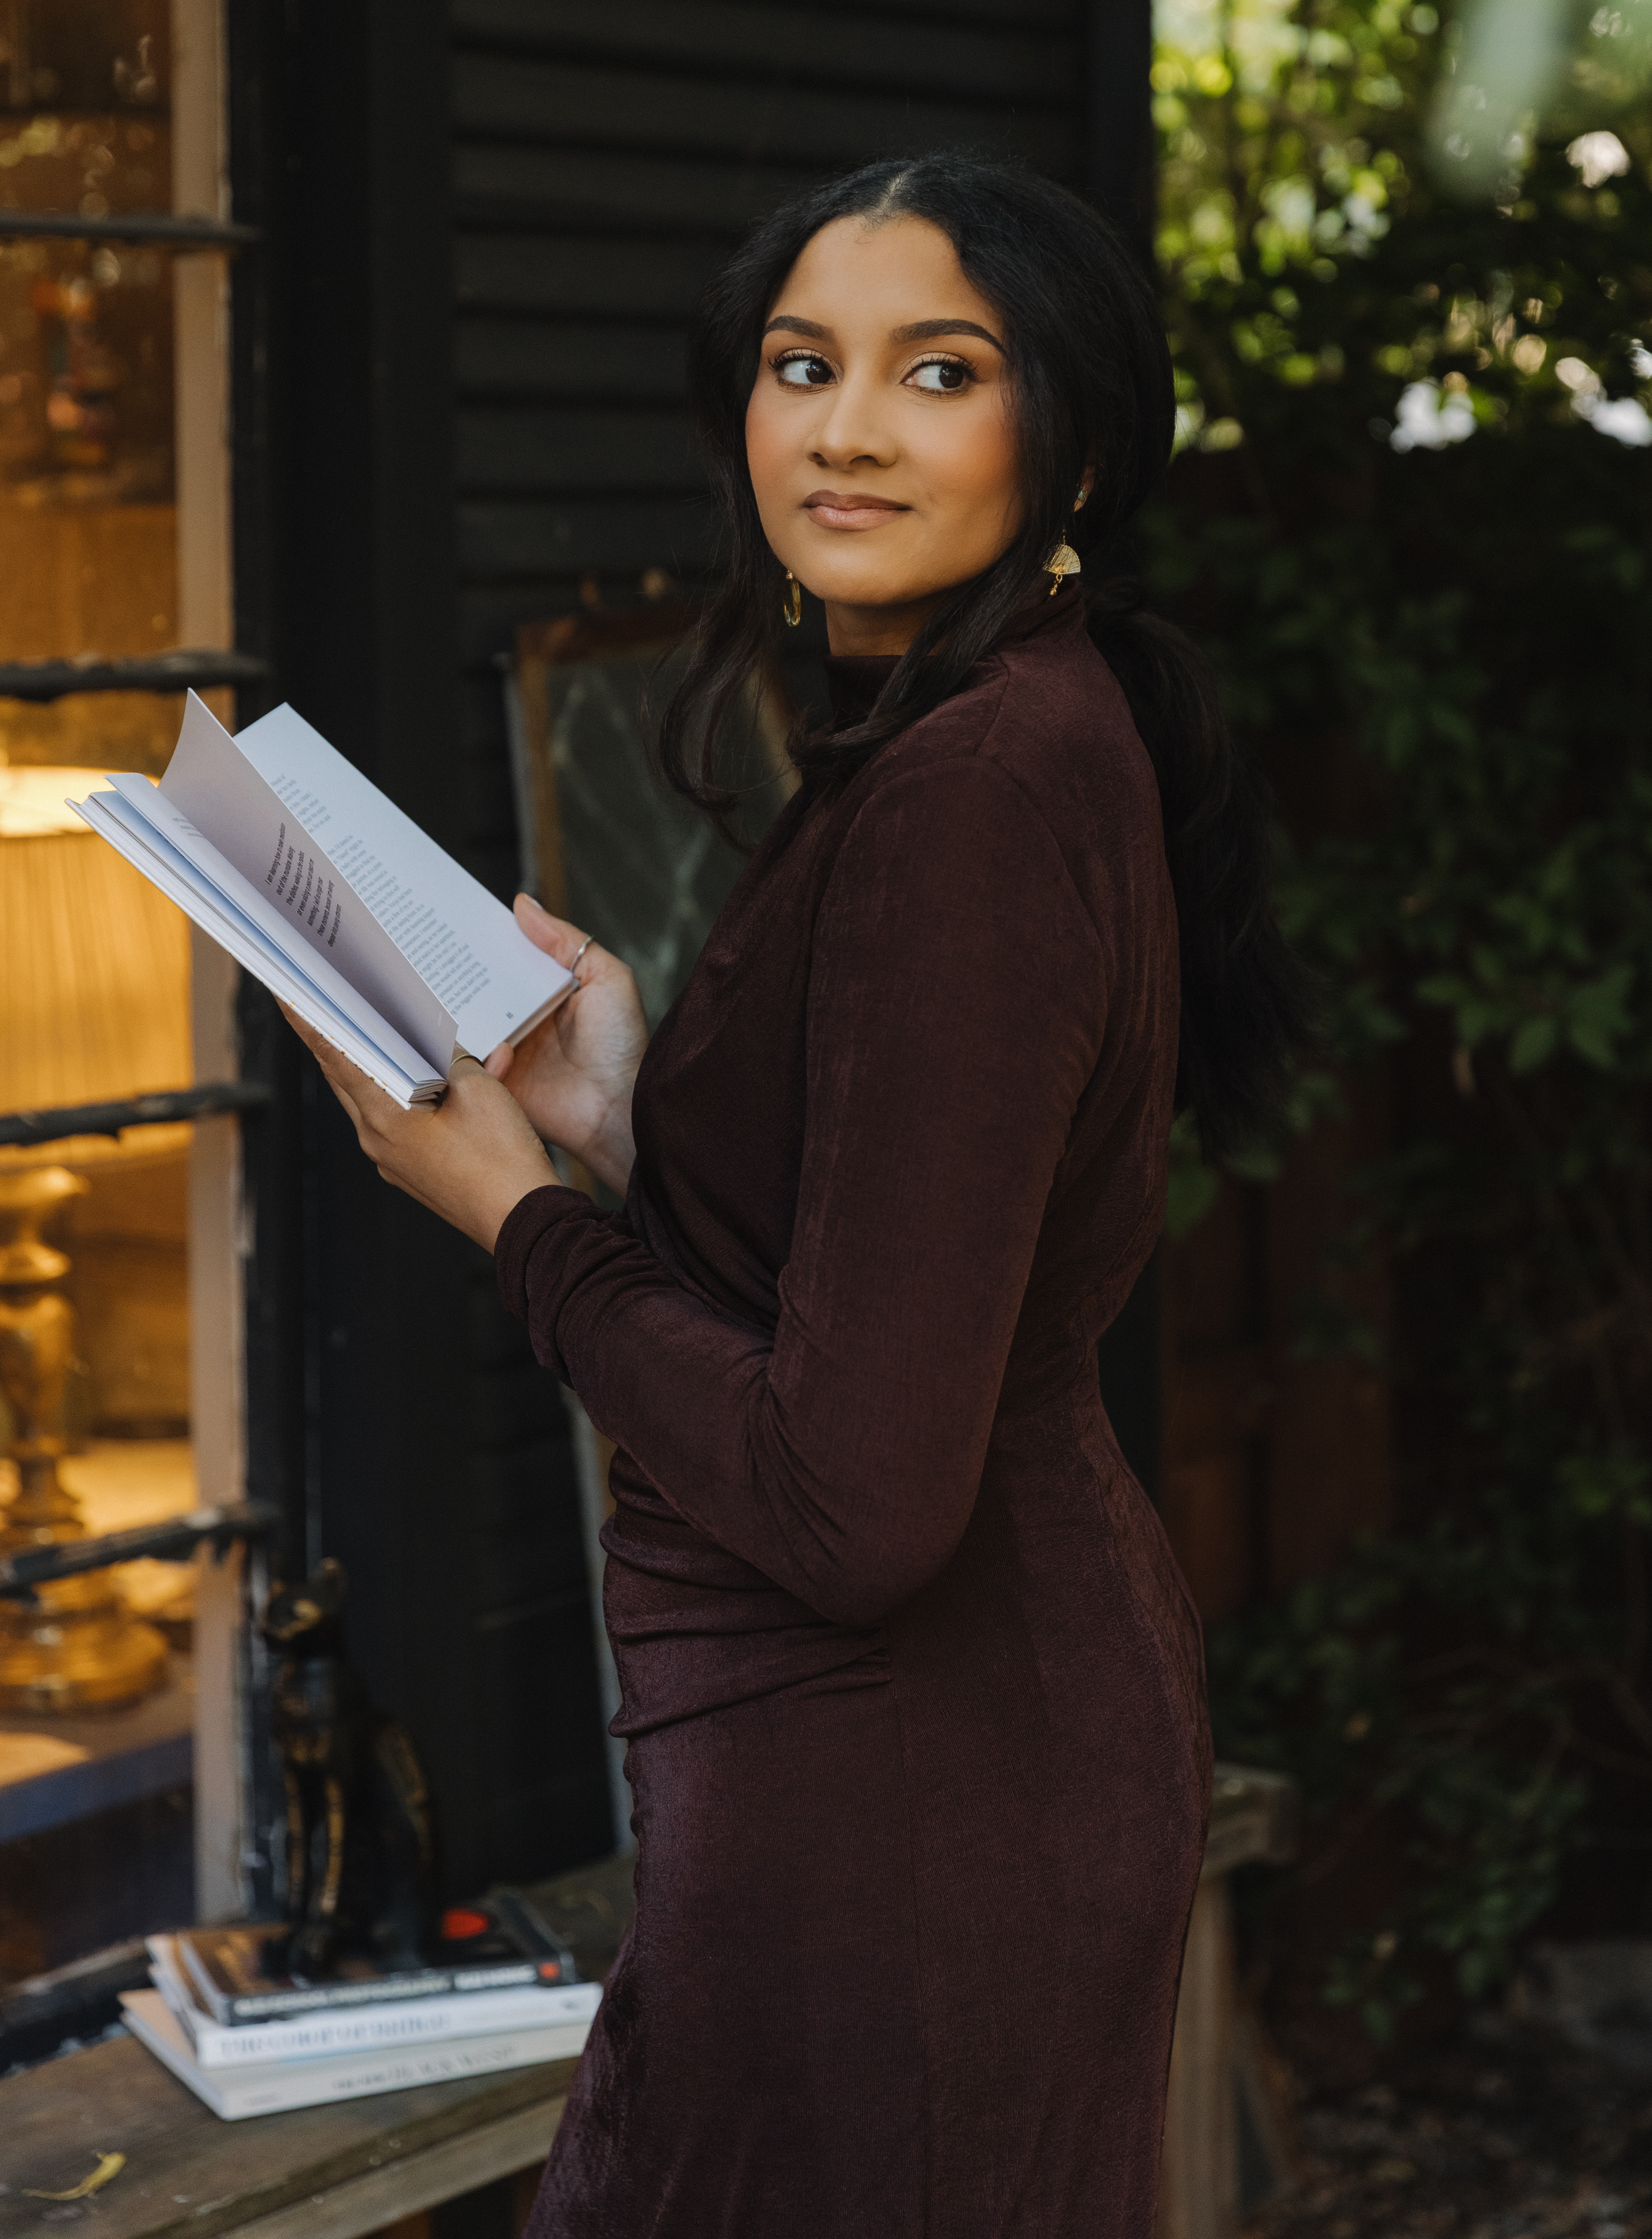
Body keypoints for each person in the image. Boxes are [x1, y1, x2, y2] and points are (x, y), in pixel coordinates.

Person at [284, 153, 1315, 2239]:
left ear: (1075, 440)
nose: (842, 427)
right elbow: (900, 1248)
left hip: (918, 1805)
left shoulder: (978, 786)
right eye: (797, 364)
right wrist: (628, 1117)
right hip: (925, 1775)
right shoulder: (977, 729)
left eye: (936, 371)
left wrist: (510, 1211)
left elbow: (853, 1500)